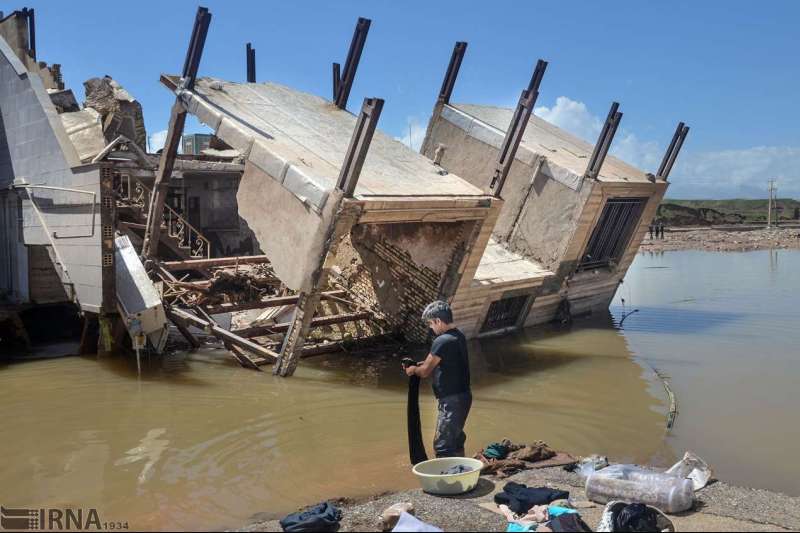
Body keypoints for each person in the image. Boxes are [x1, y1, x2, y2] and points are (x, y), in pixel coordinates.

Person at [404, 300, 472, 457]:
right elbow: (440, 362)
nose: (430, 327)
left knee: (443, 446)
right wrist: (419, 366)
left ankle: (448, 479)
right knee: (455, 440)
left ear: (438, 321)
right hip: (462, 397)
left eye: (431, 323)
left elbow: (425, 371)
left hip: (452, 400)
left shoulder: (441, 341)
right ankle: (460, 469)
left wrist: (413, 369)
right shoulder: (458, 336)